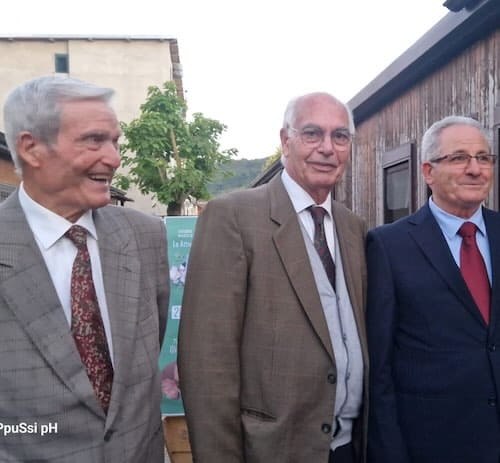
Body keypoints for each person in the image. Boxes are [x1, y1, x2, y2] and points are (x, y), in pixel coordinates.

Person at [178, 92, 368, 463]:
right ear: (285, 140)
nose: (327, 148)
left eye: (340, 136)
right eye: (312, 134)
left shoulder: (353, 227)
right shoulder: (232, 217)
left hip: (349, 448)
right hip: (270, 450)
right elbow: (206, 361)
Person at [0, 75, 170, 462]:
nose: (113, 158)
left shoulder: (145, 237)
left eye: (114, 141)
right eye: (94, 140)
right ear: (32, 148)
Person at [366, 115, 500, 462]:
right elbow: (379, 368)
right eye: (459, 158)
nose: (475, 169)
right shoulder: (389, 246)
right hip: (433, 446)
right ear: (428, 172)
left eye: (483, 158)